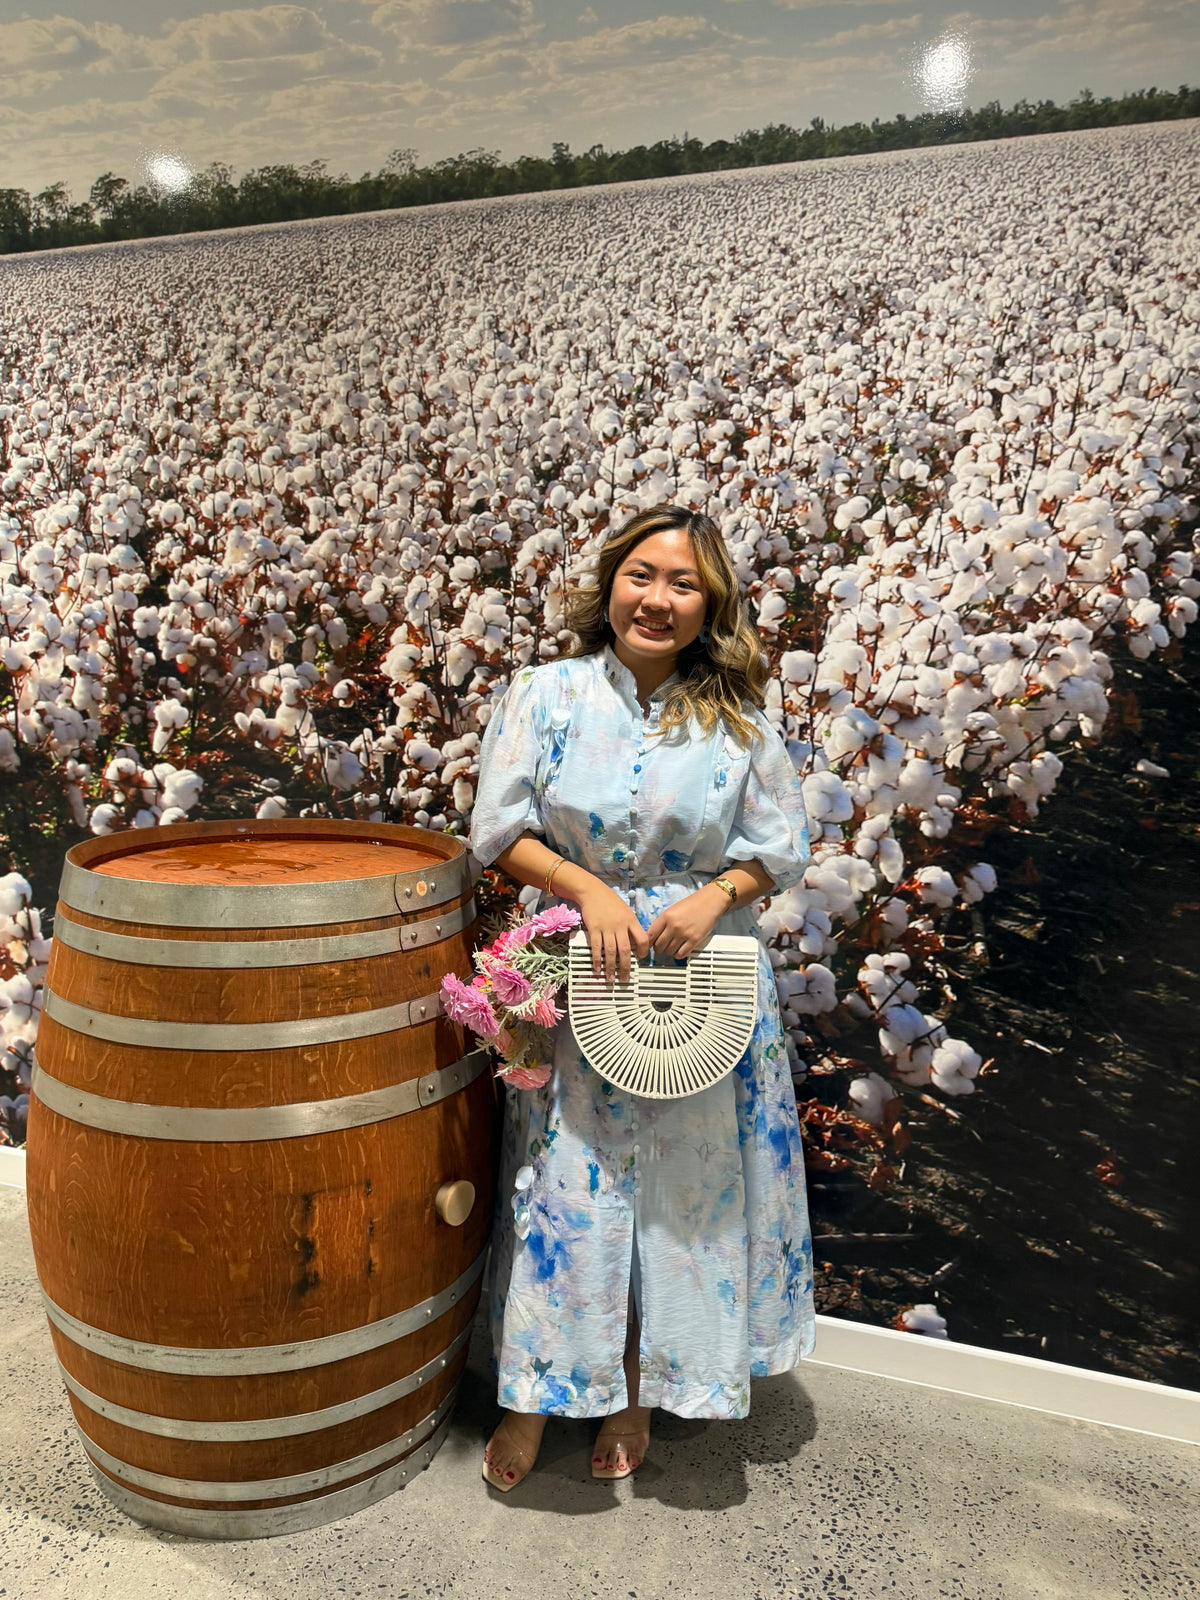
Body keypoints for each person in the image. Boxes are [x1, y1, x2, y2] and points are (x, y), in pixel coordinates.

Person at [468, 504, 815, 1491]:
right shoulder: (545, 693)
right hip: (579, 968)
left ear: (711, 607)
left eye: (684, 584)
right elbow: (499, 828)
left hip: (703, 976)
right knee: (566, 1185)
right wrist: (588, 890)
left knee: (680, 1191)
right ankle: (535, 1392)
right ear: (611, 583)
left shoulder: (739, 717)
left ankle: (638, 1387)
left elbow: (782, 846)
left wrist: (713, 895)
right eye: (642, 575)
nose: (658, 599)